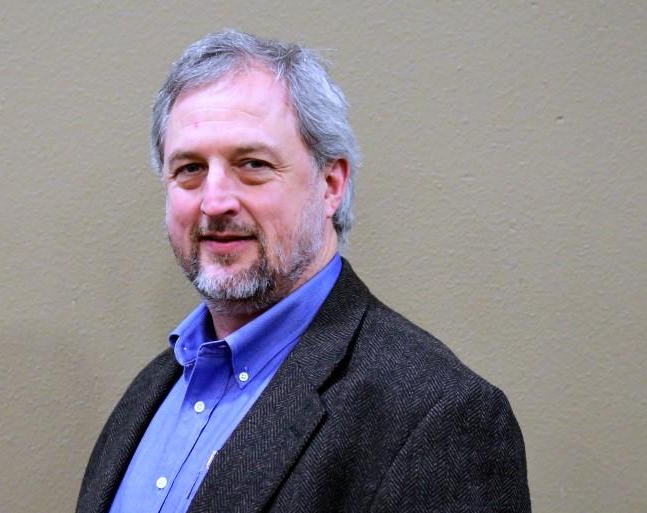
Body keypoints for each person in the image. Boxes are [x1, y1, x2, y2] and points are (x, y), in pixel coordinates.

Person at [77, 30, 530, 513]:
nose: (214, 201)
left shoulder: (436, 416)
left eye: (252, 164)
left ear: (331, 185)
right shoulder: (153, 390)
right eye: (189, 168)